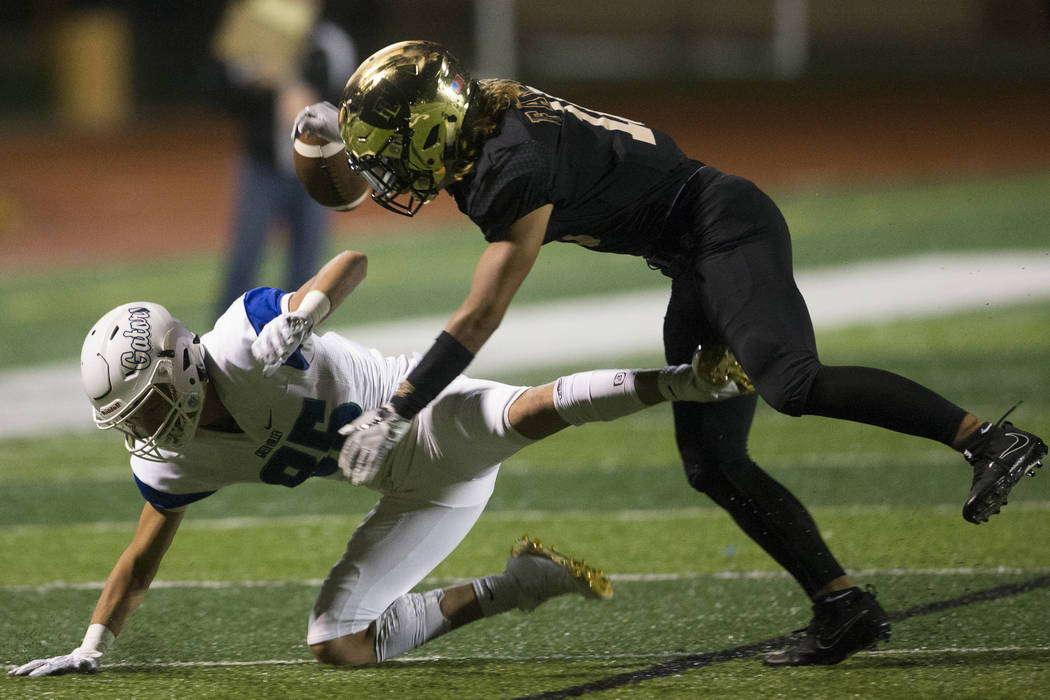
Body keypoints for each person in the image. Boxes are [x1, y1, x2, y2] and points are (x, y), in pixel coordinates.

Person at [293, 40, 1048, 666]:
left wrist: (399, 408)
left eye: (391, 150)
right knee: (713, 462)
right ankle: (842, 605)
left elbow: (482, 313)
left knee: (792, 380)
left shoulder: (507, 165)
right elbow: (425, 93)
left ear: (432, 125)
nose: (387, 170)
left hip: (725, 228)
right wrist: (340, 127)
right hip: (694, 254)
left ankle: (987, 439)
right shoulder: (483, 110)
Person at [8, 249, 749, 677]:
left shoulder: (242, 341)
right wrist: (91, 644)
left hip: (422, 419)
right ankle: (516, 585)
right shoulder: (177, 459)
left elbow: (352, 262)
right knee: (337, 644)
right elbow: (141, 558)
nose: (143, 426)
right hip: (411, 498)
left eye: (144, 404)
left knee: (525, 411)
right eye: (129, 416)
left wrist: (302, 314)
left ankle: (689, 377)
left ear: (181, 366)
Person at [207, 0, 356, 312]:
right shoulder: (258, 36)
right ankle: (218, 349)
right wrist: (252, 83)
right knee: (245, 260)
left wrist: (314, 103)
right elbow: (219, 95)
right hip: (263, 167)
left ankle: (296, 349)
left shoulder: (330, 43)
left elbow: (350, 106)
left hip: (316, 170)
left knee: (307, 272)